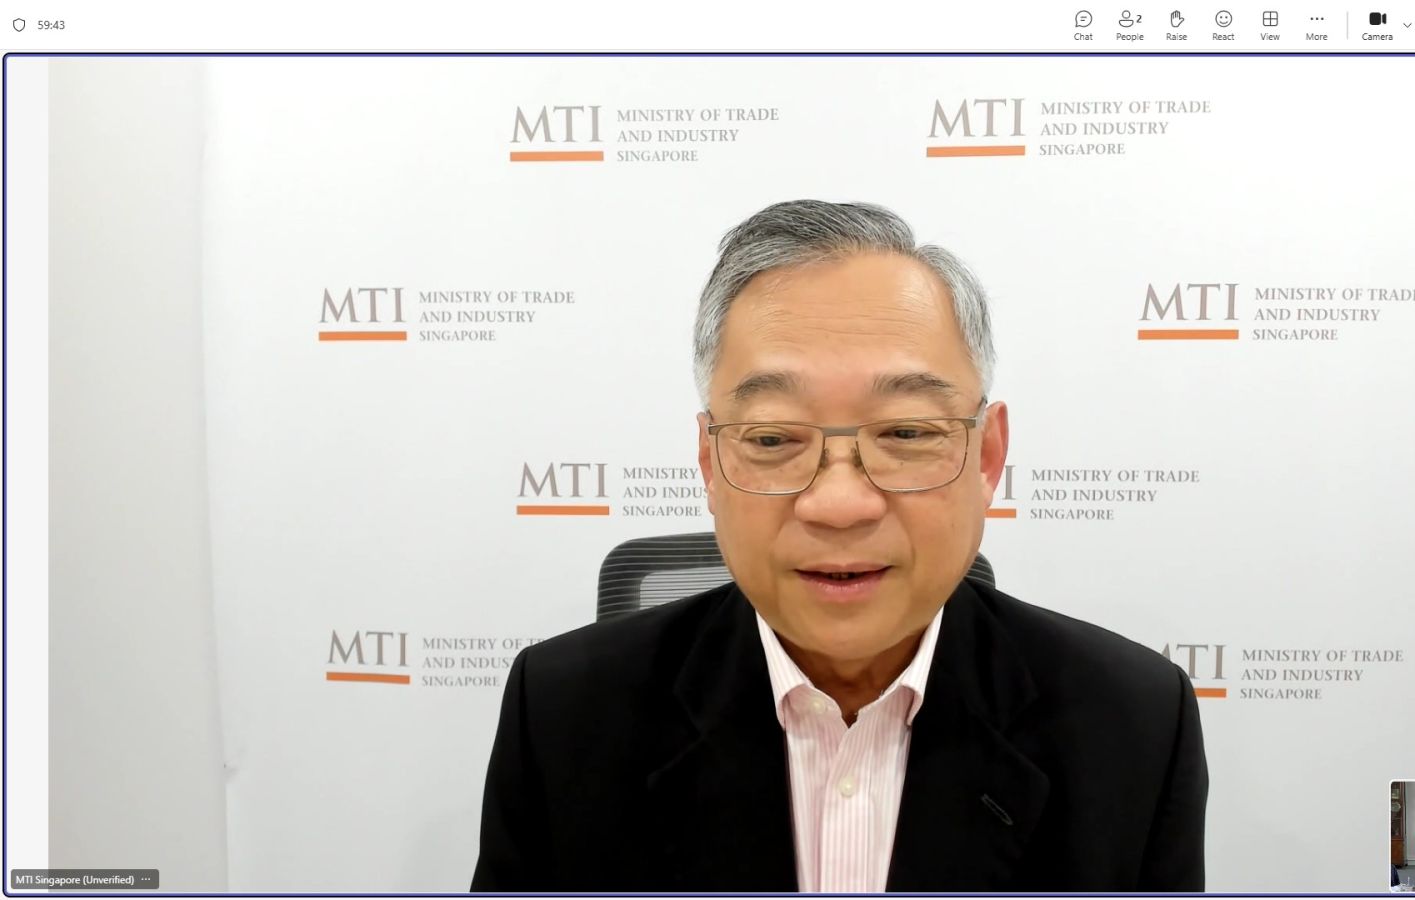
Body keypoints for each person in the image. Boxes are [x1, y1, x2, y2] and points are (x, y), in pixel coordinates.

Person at [469, 200, 1209, 892]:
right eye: (771, 439)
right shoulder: (563, 715)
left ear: (987, 457)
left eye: (907, 432)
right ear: (709, 462)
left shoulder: (1133, 725)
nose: (840, 504)